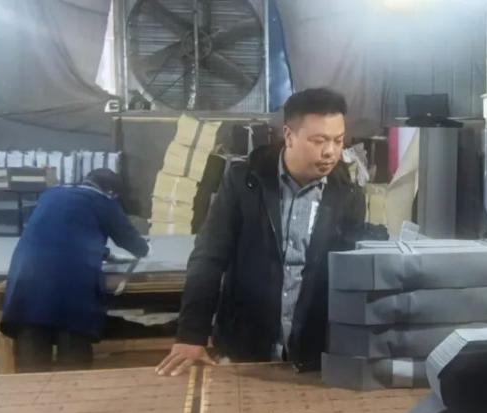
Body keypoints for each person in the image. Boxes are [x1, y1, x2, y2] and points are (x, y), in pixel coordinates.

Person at [156, 88, 381, 376]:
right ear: (289, 135)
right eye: (319, 141)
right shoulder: (245, 182)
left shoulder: (347, 196)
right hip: (244, 345)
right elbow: (209, 257)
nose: (330, 152)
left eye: (338, 140)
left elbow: (346, 276)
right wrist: (191, 335)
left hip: (313, 352)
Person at [1, 169, 150, 372]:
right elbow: (130, 240)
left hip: (26, 277)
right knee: (73, 350)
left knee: (32, 349)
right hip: (71, 285)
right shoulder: (103, 202)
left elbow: (60, 233)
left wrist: (105, 254)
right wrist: (145, 249)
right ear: (111, 192)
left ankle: (31, 389)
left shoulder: (50, 195)